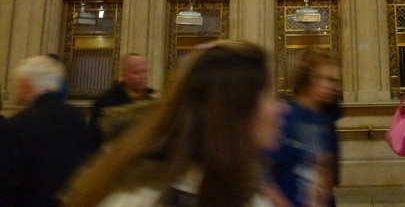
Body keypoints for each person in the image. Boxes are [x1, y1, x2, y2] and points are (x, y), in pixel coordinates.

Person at [64, 40, 285, 206]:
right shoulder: (145, 198)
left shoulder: (235, 186)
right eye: (268, 95)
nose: (280, 108)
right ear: (235, 109)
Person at [0, 55, 90, 207]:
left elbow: (6, 186)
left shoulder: (15, 126)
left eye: (17, 83)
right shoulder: (76, 117)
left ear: (27, 85)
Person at [268, 48, 341, 207]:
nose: (333, 86)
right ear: (308, 79)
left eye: (334, 80)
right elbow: (262, 172)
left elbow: (327, 167)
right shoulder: (283, 114)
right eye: (326, 79)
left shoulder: (324, 119)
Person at [88, 52, 155, 150]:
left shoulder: (151, 103)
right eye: (137, 72)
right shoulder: (106, 102)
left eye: (144, 71)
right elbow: (93, 143)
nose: (143, 76)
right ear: (124, 74)